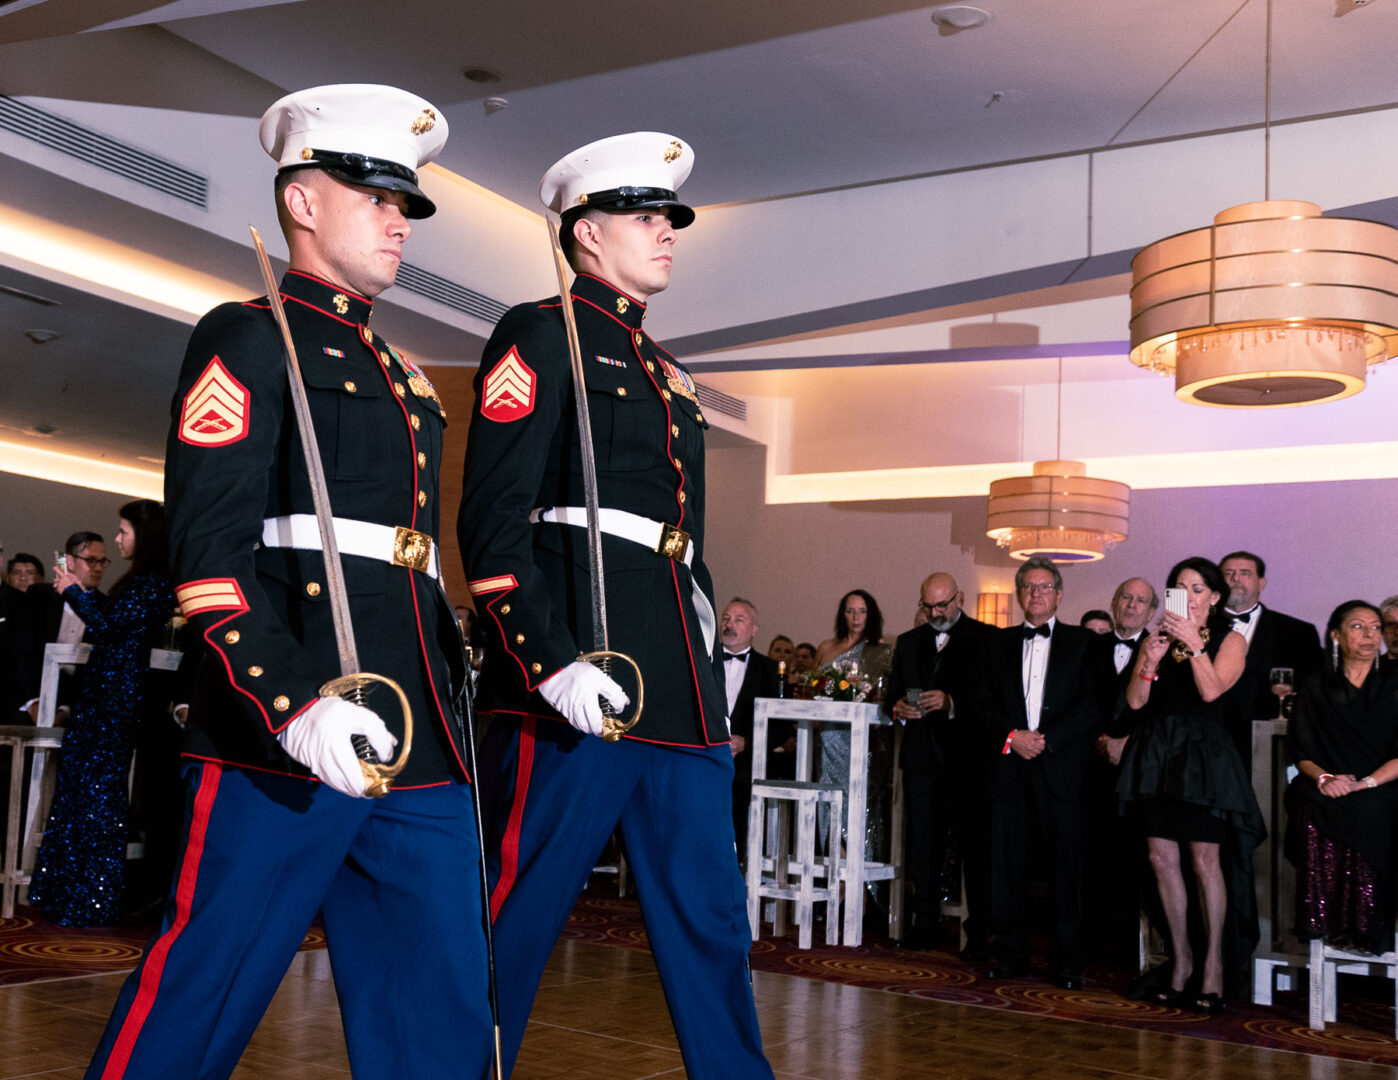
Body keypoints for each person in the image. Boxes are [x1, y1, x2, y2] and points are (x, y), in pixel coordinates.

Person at [83, 85, 494, 1080]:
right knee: (206, 991)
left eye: (408, 204)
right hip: (287, 724)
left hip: (418, 731)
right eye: (375, 196)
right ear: (303, 203)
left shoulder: (399, 370)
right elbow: (211, 563)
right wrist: (289, 702)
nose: (401, 220)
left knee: (438, 998)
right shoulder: (248, 337)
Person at [459, 131, 774, 1080]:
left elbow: (684, 545)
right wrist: (548, 661)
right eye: (646, 218)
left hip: (674, 673)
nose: (668, 233)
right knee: (521, 903)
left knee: (711, 915)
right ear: (586, 235)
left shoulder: (668, 370)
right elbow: (493, 523)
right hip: (582, 671)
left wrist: (709, 683)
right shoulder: (540, 332)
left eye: (669, 219)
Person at [1116, 557, 1265, 1015]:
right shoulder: (1156, 637)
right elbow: (1137, 702)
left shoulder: (1231, 639)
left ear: (1215, 596)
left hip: (1203, 760)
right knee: (1161, 858)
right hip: (1157, 755)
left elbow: (1212, 691)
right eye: (1180, 588)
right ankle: (1179, 962)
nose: (1190, 596)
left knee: (1204, 861)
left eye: (1198, 589)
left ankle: (1214, 966)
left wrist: (1194, 645)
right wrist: (1150, 659)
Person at [28, 501, 174, 926]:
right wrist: (78, 591)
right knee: (78, 793)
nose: (117, 538)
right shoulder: (140, 582)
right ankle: (66, 897)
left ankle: (89, 901)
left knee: (97, 798)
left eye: (123, 531)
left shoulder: (153, 583)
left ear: (143, 536)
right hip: (102, 699)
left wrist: (75, 590)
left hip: (115, 703)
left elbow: (110, 625)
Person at [983, 557, 1100, 990]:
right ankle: (1010, 955)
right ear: (1018, 595)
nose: (1036, 594)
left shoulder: (1084, 643)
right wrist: (1014, 736)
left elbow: (1092, 706)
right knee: (1007, 866)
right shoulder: (995, 644)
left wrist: (1046, 739)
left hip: (1061, 770)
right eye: (1029, 587)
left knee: (1065, 870)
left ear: (1060, 594)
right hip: (1010, 769)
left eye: (1045, 587)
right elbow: (980, 704)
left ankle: (1067, 963)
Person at [885, 572, 996, 957]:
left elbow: (991, 701)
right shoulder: (908, 642)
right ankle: (924, 926)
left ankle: (979, 934)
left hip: (968, 760)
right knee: (923, 847)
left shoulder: (985, 637)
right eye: (928, 606)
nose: (935, 612)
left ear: (959, 598)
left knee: (974, 849)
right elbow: (893, 692)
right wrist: (897, 708)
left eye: (942, 605)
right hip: (920, 759)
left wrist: (952, 703)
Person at [1285, 601, 1398, 956]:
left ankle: (1366, 925)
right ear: (1335, 634)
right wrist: (1325, 778)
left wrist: (1365, 783)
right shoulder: (1316, 685)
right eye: (1358, 626)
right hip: (1327, 782)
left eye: (1376, 627)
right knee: (1309, 806)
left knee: (1369, 809)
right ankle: (1324, 920)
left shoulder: (1395, 681)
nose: (1369, 635)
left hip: (1384, 783)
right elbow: (1301, 750)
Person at [1084, 576, 1159, 966]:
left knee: (1134, 861)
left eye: (1140, 601)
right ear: (1114, 603)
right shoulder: (1087, 646)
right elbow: (1077, 699)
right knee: (1091, 858)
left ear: (1151, 611)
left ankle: (1131, 953)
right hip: (1090, 767)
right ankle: (1091, 948)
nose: (1131, 605)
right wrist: (1100, 739)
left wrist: (1126, 744)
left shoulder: (1160, 650)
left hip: (1139, 771)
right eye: (1125, 597)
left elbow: (1160, 710)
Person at [1217, 550, 1321, 766]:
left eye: (1245, 573)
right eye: (1228, 573)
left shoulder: (1298, 633)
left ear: (1261, 583)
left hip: (1268, 747)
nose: (1235, 578)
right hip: (1208, 742)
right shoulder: (1197, 629)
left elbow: (1313, 695)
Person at [814, 589, 890, 859]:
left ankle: (858, 890)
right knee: (826, 806)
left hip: (857, 742)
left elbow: (882, 697)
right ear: (842, 614)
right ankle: (834, 885)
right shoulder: (826, 647)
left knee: (857, 810)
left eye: (862, 611)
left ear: (871, 615)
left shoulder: (879, 651)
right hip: (826, 739)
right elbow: (814, 690)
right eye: (850, 610)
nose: (856, 617)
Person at [716, 598, 783, 857]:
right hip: (706, 757)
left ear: (754, 629)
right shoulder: (703, 663)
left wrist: (747, 743)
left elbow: (781, 725)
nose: (729, 624)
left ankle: (744, 872)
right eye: (725, 618)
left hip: (748, 766)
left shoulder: (770, 670)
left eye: (738, 619)